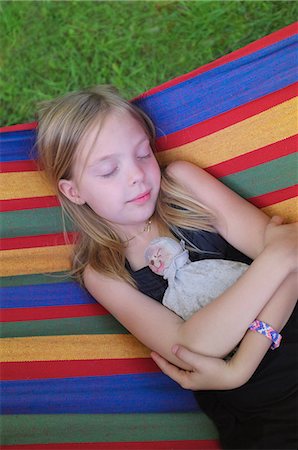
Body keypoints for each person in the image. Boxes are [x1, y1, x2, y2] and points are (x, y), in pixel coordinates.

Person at [37, 85, 298, 449]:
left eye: (143, 154)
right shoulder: (104, 272)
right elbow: (192, 347)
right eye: (109, 170)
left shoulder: (183, 183)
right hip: (266, 415)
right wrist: (275, 260)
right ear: (74, 191)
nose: (137, 176)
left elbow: (295, 255)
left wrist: (238, 367)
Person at [144, 236, 248, 320]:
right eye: (152, 261)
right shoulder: (169, 296)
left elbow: (225, 272)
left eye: (159, 254)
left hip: (246, 298)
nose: (155, 260)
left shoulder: (200, 267)